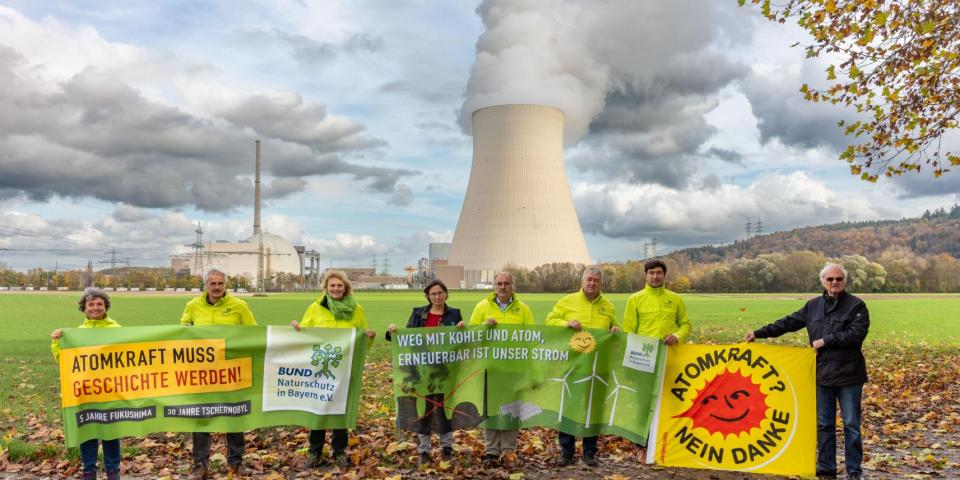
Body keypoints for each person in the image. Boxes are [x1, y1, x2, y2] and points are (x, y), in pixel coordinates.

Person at [745, 264, 869, 480]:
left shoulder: (857, 306)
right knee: (824, 424)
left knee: (851, 424)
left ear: (844, 281)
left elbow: (855, 334)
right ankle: (826, 469)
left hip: (850, 375)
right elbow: (788, 323)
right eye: (830, 279)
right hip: (822, 374)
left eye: (838, 279)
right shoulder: (813, 306)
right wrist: (759, 333)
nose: (834, 282)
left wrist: (825, 341)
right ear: (823, 281)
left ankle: (854, 471)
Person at [290, 270, 376, 469]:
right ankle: (315, 452)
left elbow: (362, 338)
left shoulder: (356, 309)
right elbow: (304, 335)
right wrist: (295, 329)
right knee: (318, 410)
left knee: (340, 411)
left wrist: (369, 338)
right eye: (332, 286)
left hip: (345, 368)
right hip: (320, 368)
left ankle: (339, 452)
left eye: (339, 286)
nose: (336, 289)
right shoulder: (315, 308)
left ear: (346, 288)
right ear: (326, 288)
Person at [179, 266, 257, 480]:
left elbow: (253, 333)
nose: (216, 287)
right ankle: (200, 465)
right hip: (203, 374)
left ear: (226, 285)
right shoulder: (193, 305)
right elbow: (182, 332)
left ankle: (236, 462)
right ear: (205, 285)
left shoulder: (239, 306)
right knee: (201, 418)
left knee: (234, 416)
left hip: (232, 372)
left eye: (220, 283)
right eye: (212, 283)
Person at [544, 266, 619, 467]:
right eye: (589, 279)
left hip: (598, 367)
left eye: (596, 280)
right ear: (582, 281)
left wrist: (615, 329)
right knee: (570, 408)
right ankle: (566, 452)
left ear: (601, 284)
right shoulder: (567, 301)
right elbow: (549, 321)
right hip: (573, 365)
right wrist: (566, 322)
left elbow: (616, 328)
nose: (592, 283)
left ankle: (589, 452)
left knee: (593, 411)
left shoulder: (608, 306)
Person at [458, 271, 534, 467]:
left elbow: (532, 338)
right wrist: (484, 326)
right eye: (499, 283)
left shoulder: (523, 309)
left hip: (513, 370)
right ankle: (492, 450)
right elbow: (471, 335)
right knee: (490, 410)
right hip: (489, 369)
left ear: (513, 286)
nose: (502, 287)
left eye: (506, 283)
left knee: (511, 410)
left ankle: (509, 450)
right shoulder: (482, 307)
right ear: (494, 286)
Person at [386, 279, 464, 464]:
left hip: (445, 370)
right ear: (428, 296)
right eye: (433, 294)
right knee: (425, 409)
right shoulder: (418, 314)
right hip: (421, 370)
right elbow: (405, 339)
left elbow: (462, 341)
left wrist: (463, 328)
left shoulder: (454, 314)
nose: (437, 297)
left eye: (440, 293)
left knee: (444, 408)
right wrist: (393, 332)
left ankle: (446, 447)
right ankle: (424, 449)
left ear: (446, 294)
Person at [622, 258, 691, 462]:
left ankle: (666, 445)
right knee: (643, 405)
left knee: (670, 403)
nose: (655, 276)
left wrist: (677, 335)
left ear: (664, 275)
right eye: (651, 273)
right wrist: (631, 363)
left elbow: (685, 324)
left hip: (669, 360)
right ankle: (641, 447)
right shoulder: (635, 299)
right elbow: (628, 331)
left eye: (658, 273)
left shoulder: (675, 299)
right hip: (643, 361)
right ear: (646, 275)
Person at [51, 288, 123, 480]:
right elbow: (64, 360)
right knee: (88, 429)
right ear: (84, 308)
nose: (95, 307)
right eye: (91, 304)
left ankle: (113, 469)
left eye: (99, 304)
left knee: (110, 431)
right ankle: (89, 469)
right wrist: (57, 342)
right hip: (86, 391)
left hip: (110, 391)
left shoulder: (117, 329)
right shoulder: (77, 334)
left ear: (106, 307)